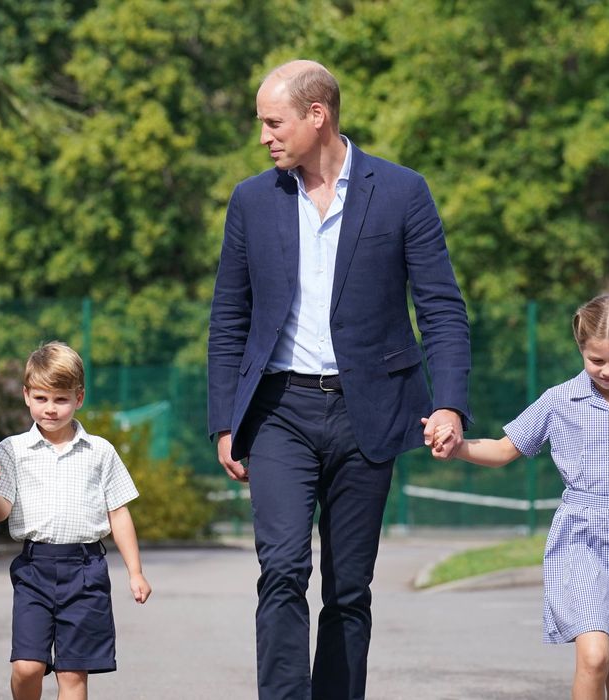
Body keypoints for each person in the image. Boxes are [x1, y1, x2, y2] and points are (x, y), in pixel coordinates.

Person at [207, 59, 471, 699]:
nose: (264, 136)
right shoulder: (251, 200)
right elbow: (228, 317)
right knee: (282, 571)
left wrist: (451, 405)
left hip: (370, 413)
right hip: (278, 412)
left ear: (316, 116)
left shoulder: (403, 191)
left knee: (349, 588)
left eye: (274, 122)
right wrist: (223, 420)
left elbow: (440, 307)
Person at [429, 295, 609, 700]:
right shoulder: (558, 400)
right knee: (594, 657)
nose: (607, 370)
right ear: (581, 349)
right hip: (579, 538)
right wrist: (457, 446)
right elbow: (503, 449)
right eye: (596, 360)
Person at [0, 341, 150, 700]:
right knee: (27, 667)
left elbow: (118, 511)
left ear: (79, 398)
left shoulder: (100, 451)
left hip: (86, 571)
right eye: (41, 398)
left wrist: (135, 571)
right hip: (34, 569)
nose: (50, 409)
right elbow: (0, 511)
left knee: (72, 673)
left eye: (60, 399)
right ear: (26, 396)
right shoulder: (12, 450)